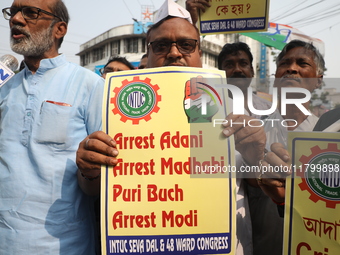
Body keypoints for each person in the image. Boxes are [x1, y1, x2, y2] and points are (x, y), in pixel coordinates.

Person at [76, 1, 265, 254]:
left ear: (199, 53)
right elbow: (93, 188)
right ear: (149, 53)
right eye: (162, 45)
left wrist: (257, 156)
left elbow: (255, 184)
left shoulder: (232, 105)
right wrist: (89, 169)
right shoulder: (116, 109)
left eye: (186, 45)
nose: (175, 53)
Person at [0, 0, 116, 254]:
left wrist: (90, 170)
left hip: (67, 245)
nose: (16, 19)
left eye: (30, 13)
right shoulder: (4, 90)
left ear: (59, 29)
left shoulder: (90, 85)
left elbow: (107, 179)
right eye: (13, 11)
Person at [226, 40, 325, 255]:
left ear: (318, 80)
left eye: (303, 63)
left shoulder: (328, 136)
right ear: (276, 77)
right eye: (285, 63)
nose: (291, 68)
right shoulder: (251, 132)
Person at [218, 42, 272, 118]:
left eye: (243, 63)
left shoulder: (269, 110)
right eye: (229, 65)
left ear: (252, 71)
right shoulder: (209, 109)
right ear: (220, 74)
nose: (237, 70)